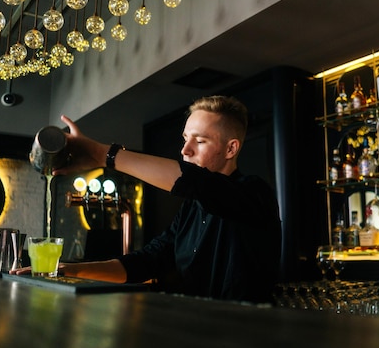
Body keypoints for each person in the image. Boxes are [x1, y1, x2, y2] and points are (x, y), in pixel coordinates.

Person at [15, 96, 282, 303]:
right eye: (185, 138)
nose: (185, 150)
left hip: (245, 341)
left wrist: (101, 155)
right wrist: (66, 271)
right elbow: (147, 261)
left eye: (199, 141)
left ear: (231, 148)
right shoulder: (191, 208)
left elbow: (195, 182)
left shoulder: (253, 195)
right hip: (197, 338)